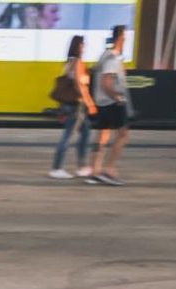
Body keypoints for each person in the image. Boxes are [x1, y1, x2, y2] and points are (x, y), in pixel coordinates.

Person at [88, 26, 131, 186]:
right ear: (120, 38)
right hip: (111, 102)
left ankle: (94, 171)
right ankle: (109, 170)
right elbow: (106, 82)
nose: (125, 40)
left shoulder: (104, 56)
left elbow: (96, 72)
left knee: (102, 135)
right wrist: (117, 97)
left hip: (101, 102)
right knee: (122, 134)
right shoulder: (112, 58)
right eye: (125, 37)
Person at [49, 35, 96, 179]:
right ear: (78, 46)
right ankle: (57, 168)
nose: (84, 47)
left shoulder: (69, 62)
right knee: (68, 136)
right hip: (75, 105)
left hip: (71, 105)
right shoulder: (77, 63)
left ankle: (81, 166)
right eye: (82, 45)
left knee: (85, 132)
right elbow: (79, 85)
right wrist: (90, 103)